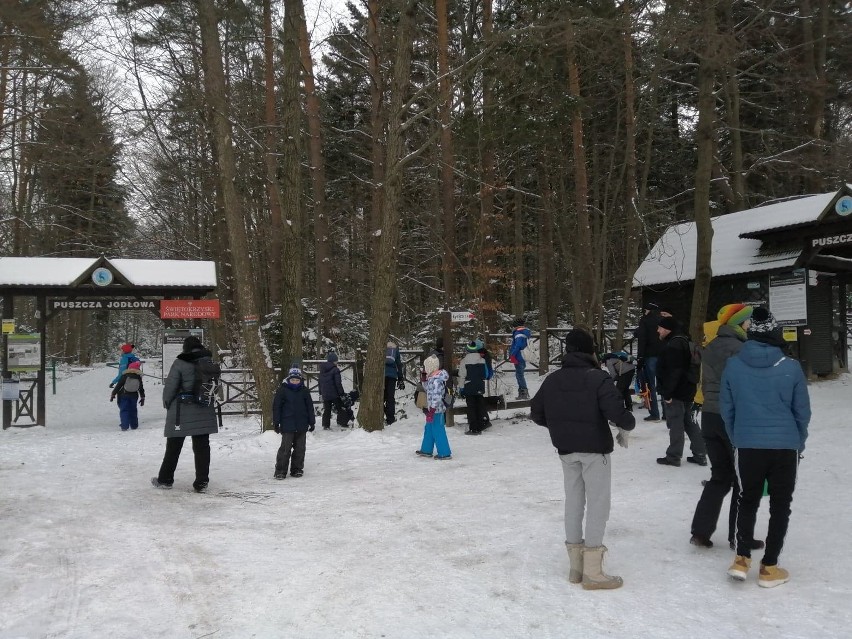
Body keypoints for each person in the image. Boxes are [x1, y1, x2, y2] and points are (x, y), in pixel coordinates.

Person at [530, 328, 635, 590]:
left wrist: (558, 426)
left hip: (566, 449)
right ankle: (593, 572)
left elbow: (536, 412)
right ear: (590, 350)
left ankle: (576, 568)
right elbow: (618, 413)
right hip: (595, 448)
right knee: (598, 504)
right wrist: (627, 424)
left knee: (574, 502)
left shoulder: (553, 379)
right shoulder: (597, 378)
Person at [721, 307, 810, 588]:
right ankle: (769, 566)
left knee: (747, 499)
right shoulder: (791, 367)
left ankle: (742, 558)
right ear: (775, 332)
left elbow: (728, 409)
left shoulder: (733, 365)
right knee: (781, 504)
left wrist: (737, 437)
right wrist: (799, 441)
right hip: (785, 446)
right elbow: (802, 413)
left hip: (748, 444)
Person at [690, 304, 765, 552]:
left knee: (720, 477)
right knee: (742, 480)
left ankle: (700, 532)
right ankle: (739, 536)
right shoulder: (742, 350)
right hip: (732, 419)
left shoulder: (710, 347)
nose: (750, 326)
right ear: (740, 324)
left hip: (710, 416)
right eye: (748, 322)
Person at [152, 336, 218, 492]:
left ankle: (165, 479)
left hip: (181, 411)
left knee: (174, 446)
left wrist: (167, 402)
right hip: (204, 408)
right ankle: (201, 482)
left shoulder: (180, 362)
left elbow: (171, 386)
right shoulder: (209, 362)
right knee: (202, 448)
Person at [655, 315, 707, 467]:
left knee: (676, 423)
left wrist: (668, 392)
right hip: (688, 388)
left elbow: (674, 370)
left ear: (666, 329)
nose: (657, 330)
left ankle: (673, 457)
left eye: (659, 328)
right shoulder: (684, 340)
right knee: (689, 422)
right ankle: (700, 453)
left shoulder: (674, 344)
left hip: (677, 390)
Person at [272, 367, 316, 479]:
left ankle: (297, 469)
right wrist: (276, 423)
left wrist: (312, 422)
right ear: (289, 379)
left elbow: (309, 407)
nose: (295, 382)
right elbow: (277, 407)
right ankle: (280, 470)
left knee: (300, 449)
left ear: (300, 380)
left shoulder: (304, 391)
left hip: (302, 424)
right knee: (285, 449)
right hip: (287, 424)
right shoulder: (282, 390)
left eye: (297, 380)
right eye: (293, 380)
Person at [415, 355, 452, 460]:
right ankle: (426, 449)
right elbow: (428, 389)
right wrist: (424, 380)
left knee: (438, 429)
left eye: (426, 367)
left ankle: (444, 453)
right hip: (432, 409)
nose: (425, 369)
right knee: (429, 428)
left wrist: (432, 411)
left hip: (436, 410)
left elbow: (436, 397)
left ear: (430, 368)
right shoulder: (432, 378)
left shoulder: (436, 381)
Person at [634, 302, 664, 421]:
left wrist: (640, 356)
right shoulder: (662, 319)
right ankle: (667, 413)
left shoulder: (645, 320)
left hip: (649, 355)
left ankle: (654, 413)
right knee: (663, 384)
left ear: (648, 310)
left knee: (650, 385)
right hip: (663, 355)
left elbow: (642, 339)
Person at [458, 339, 492, 435]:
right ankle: (481, 424)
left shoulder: (464, 361)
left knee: (471, 407)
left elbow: (462, 375)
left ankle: (474, 428)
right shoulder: (482, 360)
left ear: (467, 350)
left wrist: (461, 388)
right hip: (480, 386)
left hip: (469, 386)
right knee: (480, 405)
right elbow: (485, 374)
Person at [110, 359, 145, 431]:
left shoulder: (125, 376)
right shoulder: (138, 377)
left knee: (124, 410)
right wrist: (142, 397)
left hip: (124, 395)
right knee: (133, 410)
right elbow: (141, 388)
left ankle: (124, 426)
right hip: (134, 396)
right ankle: (134, 425)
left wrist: (113, 394)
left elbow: (118, 386)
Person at [318, 352, 348, 430]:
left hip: (325, 393)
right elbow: (338, 383)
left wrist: (321, 393)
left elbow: (320, 382)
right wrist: (341, 393)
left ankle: (325, 425)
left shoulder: (322, 370)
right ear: (334, 361)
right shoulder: (335, 370)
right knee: (340, 407)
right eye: (336, 361)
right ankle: (342, 423)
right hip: (334, 393)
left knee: (327, 410)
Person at [509, 317, 531, 400]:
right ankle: (523, 392)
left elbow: (518, 345)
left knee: (519, 375)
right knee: (519, 374)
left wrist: (512, 355)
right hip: (522, 355)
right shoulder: (524, 332)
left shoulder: (519, 333)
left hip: (518, 356)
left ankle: (523, 392)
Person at [384, 340, 404, 425]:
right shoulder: (395, 349)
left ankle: (382, 413)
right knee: (390, 398)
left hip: (382, 375)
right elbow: (398, 364)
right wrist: (400, 378)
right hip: (392, 376)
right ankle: (390, 419)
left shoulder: (382, 347)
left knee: (381, 397)